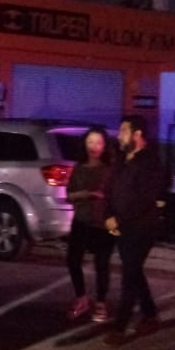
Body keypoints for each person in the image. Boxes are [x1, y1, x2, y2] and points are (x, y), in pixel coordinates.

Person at [103, 115, 166, 346]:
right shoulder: (122, 160)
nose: (119, 135)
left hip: (141, 228)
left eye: (124, 131)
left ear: (137, 134)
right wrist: (109, 216)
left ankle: (120, 328)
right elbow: (109, 191)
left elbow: (145, 200)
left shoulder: (150, 163)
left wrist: (119, 220)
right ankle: (150, 315)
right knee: (134, 271)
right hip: (121, 227)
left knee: (129, 276)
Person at [65, 125, 118, 323]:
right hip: (81, 221)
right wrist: (86, 194)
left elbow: (115, 196)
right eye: (90, 142)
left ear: (105, 145)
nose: (94, 146)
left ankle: (101, 303)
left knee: (101, 264)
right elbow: (69, 195)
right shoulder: (79, 168)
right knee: (72, 260)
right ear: (85, 144)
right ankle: (81, 298)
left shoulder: (110, 169)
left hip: (103, 224)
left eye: (98, 142)